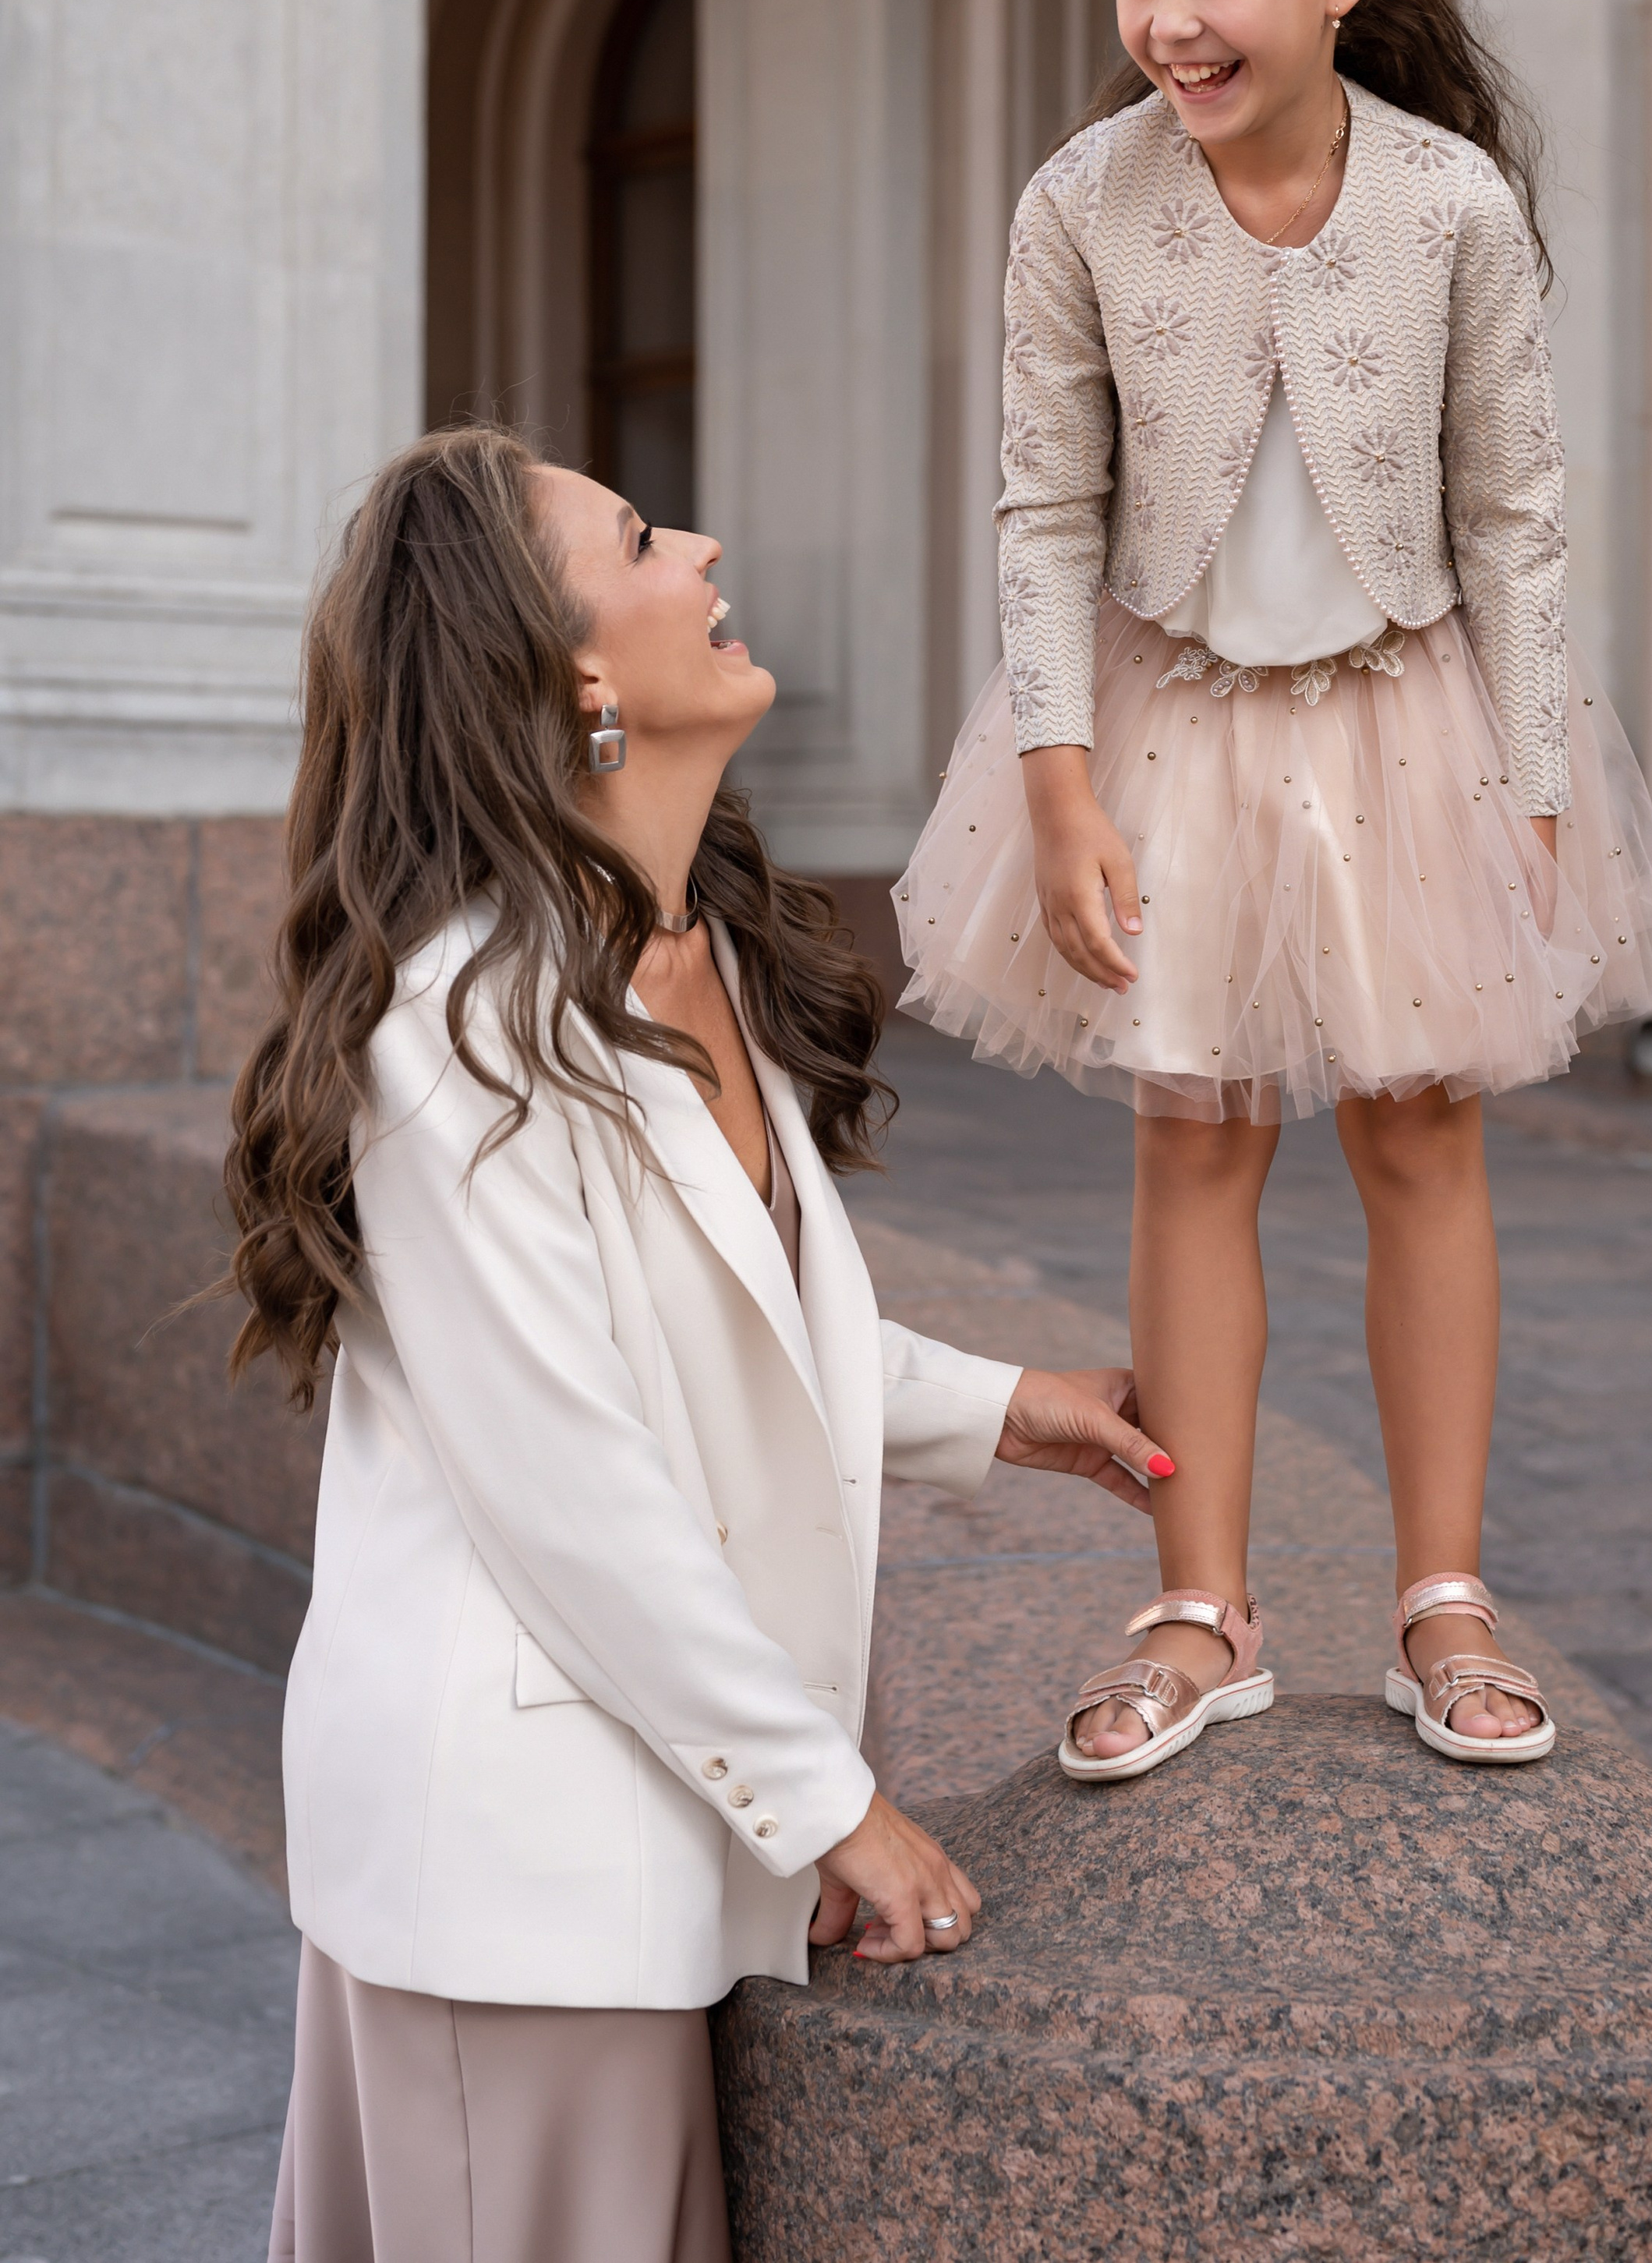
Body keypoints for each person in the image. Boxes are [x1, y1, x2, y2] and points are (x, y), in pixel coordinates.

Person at [225, 425, 1166, 2263]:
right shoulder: (461, 1032)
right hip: (508, 1876)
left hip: (621, 1855)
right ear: (573, 667)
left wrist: (1008, 1404)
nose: (708, 543)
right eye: (645, 534)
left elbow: (712, 1338)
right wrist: (839, 1810)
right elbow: (576, 1485)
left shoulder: (685, 954)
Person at [896, 0, 1652, 1784]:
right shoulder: (1080, 203)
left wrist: (1527, 777)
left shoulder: (1448, 208)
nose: (1168, 18)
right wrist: (1058, 782)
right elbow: (1044, 504)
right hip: (1174, 727)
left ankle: (1442, 1592)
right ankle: (1198, 1598)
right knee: (1193, 1127)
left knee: (1421, 1126)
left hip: (1414, 711)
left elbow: (1514, 504)